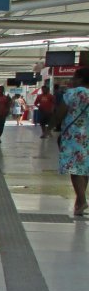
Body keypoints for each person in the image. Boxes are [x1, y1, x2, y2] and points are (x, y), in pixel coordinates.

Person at [57, 67, 89, 216]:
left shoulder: (73, 93)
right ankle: (79, 202)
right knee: (85, 168)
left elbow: (61, 111)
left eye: (74, 77)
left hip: (74, 136)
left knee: (74, 168)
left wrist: (49, 128)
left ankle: (82, 200)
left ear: (80, 79)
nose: (72, 80)